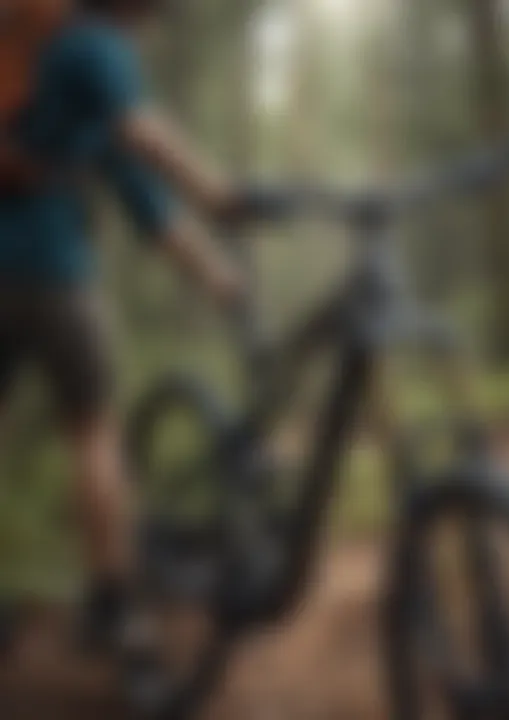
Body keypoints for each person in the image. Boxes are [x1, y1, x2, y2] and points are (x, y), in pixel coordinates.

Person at [0, 0, 268, 653]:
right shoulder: (96, 47)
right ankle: (112, 605)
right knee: (94, 433)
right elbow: (145, 142)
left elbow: (149, 204)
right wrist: (218, 192)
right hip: (59, 277)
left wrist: (216, 278)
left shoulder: (53, 65)